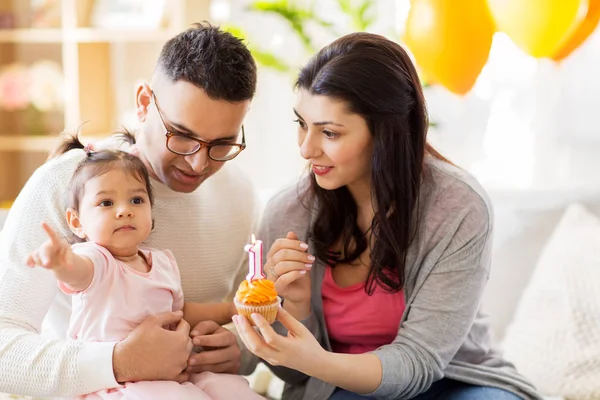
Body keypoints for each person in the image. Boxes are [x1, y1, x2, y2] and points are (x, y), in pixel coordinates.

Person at [233, 32, 542, 400]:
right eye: (301, 123)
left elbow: (421, 361)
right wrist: (296, 309)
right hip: (341, 386)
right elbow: (291, 373)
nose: (305, 148)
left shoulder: (458, 206)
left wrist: (317, 361)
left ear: (387, 133)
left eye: (329, 132)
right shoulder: (289, 212)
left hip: (456, 381)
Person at [0, 22, 259, 397]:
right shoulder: (68, 184)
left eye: (222, 144)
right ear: (143, 103)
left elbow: (242, 319)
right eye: (182, 136)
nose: (199, 164)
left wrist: (240, 349)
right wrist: (118, 362)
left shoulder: (240, 194)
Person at [25, 142, 264, 400]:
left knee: (231, 388)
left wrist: (230, 310)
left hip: (171, 373)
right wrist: (60, 262)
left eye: (136, 200)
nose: (124, 210)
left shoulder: (162, 263)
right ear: (77, 222)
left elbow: (180, 312)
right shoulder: (97, 260)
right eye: (106, 202)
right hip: (117, 384)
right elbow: (78, 273)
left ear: (151, 211)